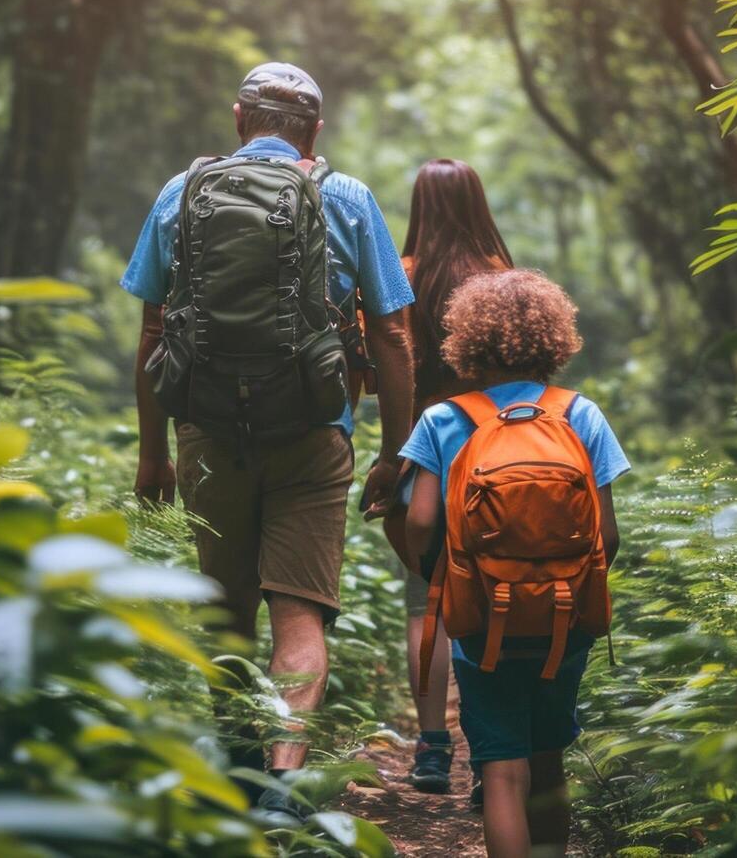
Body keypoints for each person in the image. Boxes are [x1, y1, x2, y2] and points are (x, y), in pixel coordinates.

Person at [122, 62, 416, 814]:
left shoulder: (180, 192)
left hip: (208, 432)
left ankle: (233, 778)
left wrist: (153, 452)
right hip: (314, 436)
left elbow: (154, 330)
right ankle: (283, 789)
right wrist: (395, 453)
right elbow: (390, 330)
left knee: (224, 610)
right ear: (315, 132)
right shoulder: (344, 196)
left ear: (237, 120)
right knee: (300, 613)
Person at [399, 269, 628, 858]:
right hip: (566, 615)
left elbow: (421, 522)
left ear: (466, 342)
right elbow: (606, 531)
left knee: (501, 769)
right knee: (547, 759)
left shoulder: (444, 419)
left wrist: (442, 577)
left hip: (482, 621)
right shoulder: (581, 414)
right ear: (555, 339)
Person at [384, 159, 514, 795]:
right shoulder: (502, 282)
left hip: (421, 465)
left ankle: (432, 748)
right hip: (500, 466)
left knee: (426, 606)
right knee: (496, 605)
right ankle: (494, 755)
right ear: (477, 204)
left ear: (420, 207)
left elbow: (374, 371)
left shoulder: (399, 280)